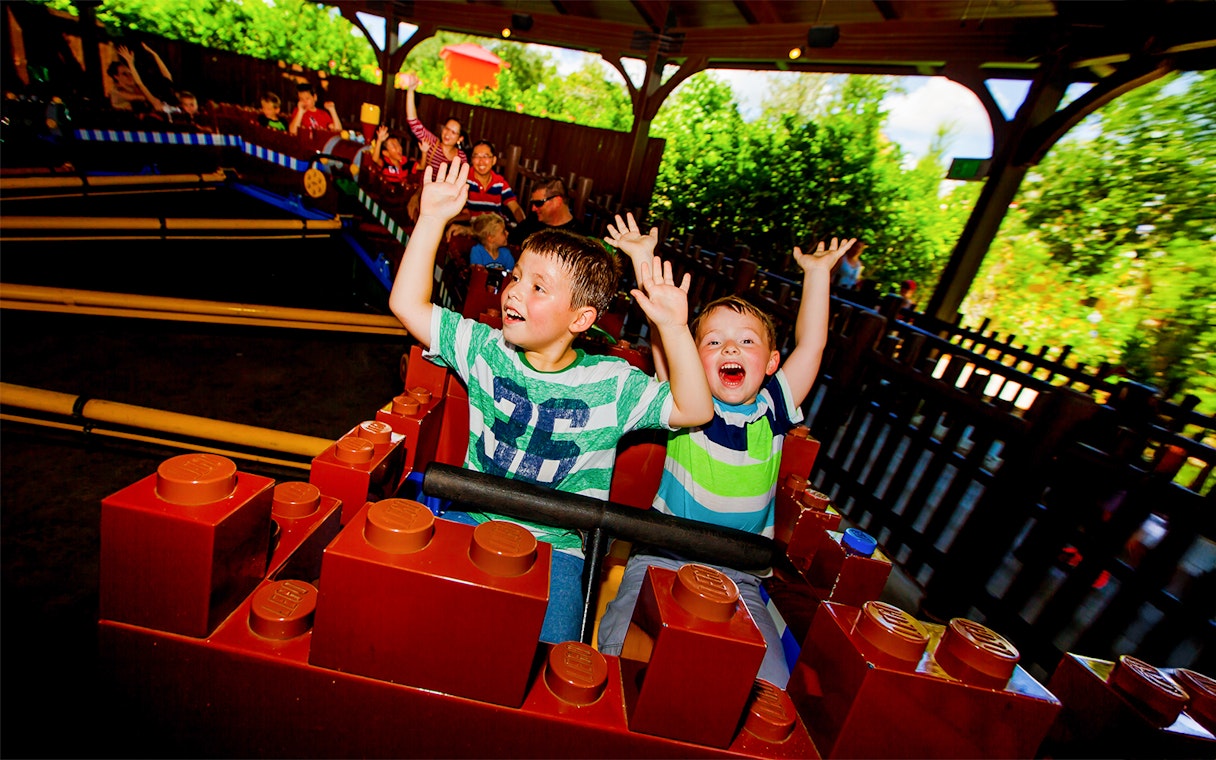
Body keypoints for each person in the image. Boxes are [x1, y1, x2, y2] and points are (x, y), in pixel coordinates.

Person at [388, 158, 713, 645]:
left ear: (580, 319)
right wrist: (432, 218)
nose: (514, 291)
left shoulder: (612, 383)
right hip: (472, 518)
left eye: (537, 287)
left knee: (552, 656)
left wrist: (673, 327)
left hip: (558, 547)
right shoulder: (485, 348)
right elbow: (407, 305)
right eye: (516, 276)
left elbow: (695, 409)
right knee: (411, 620)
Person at [597, 212, 856, 687]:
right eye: (713, 341)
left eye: (746, 341)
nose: (730, 349)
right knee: (622, 648)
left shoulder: (774, 407)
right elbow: (663, 326)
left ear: (771, 362)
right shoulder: (687, 398)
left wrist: (818, 275)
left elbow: (813, 345)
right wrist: (642, 259)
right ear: (693, 359)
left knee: (770, 685)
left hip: (740, 573)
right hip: (663, 556)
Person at [400, 72, 467, 173]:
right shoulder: (432, 143)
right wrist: (410, 91)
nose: (447, 134)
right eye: (447, 129)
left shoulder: (461, 157)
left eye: (453, 132)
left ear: (460, 139)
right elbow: (413, 122)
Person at [507, 179, 584, 246]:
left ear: (557, 201)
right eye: (533, 203)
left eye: (538, 203)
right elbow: (510, 242)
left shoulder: (579, 236)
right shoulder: (533, 220)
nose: (533, 208)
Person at [465, 140, 525, 223]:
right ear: (471, 160)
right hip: (472, 225)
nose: (481, 161)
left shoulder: (499, 182)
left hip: (495, 225)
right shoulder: (465, 179)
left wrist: (524, 225)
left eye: (486, 156)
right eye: (477, 156)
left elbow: (515, 208)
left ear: (493, 160)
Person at [107, 44, 164, 114]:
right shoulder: (116, 92)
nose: (130, 76)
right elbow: (140, 98)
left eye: (130, 73)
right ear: (116, 76)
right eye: (124, 74)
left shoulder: (135, 88)